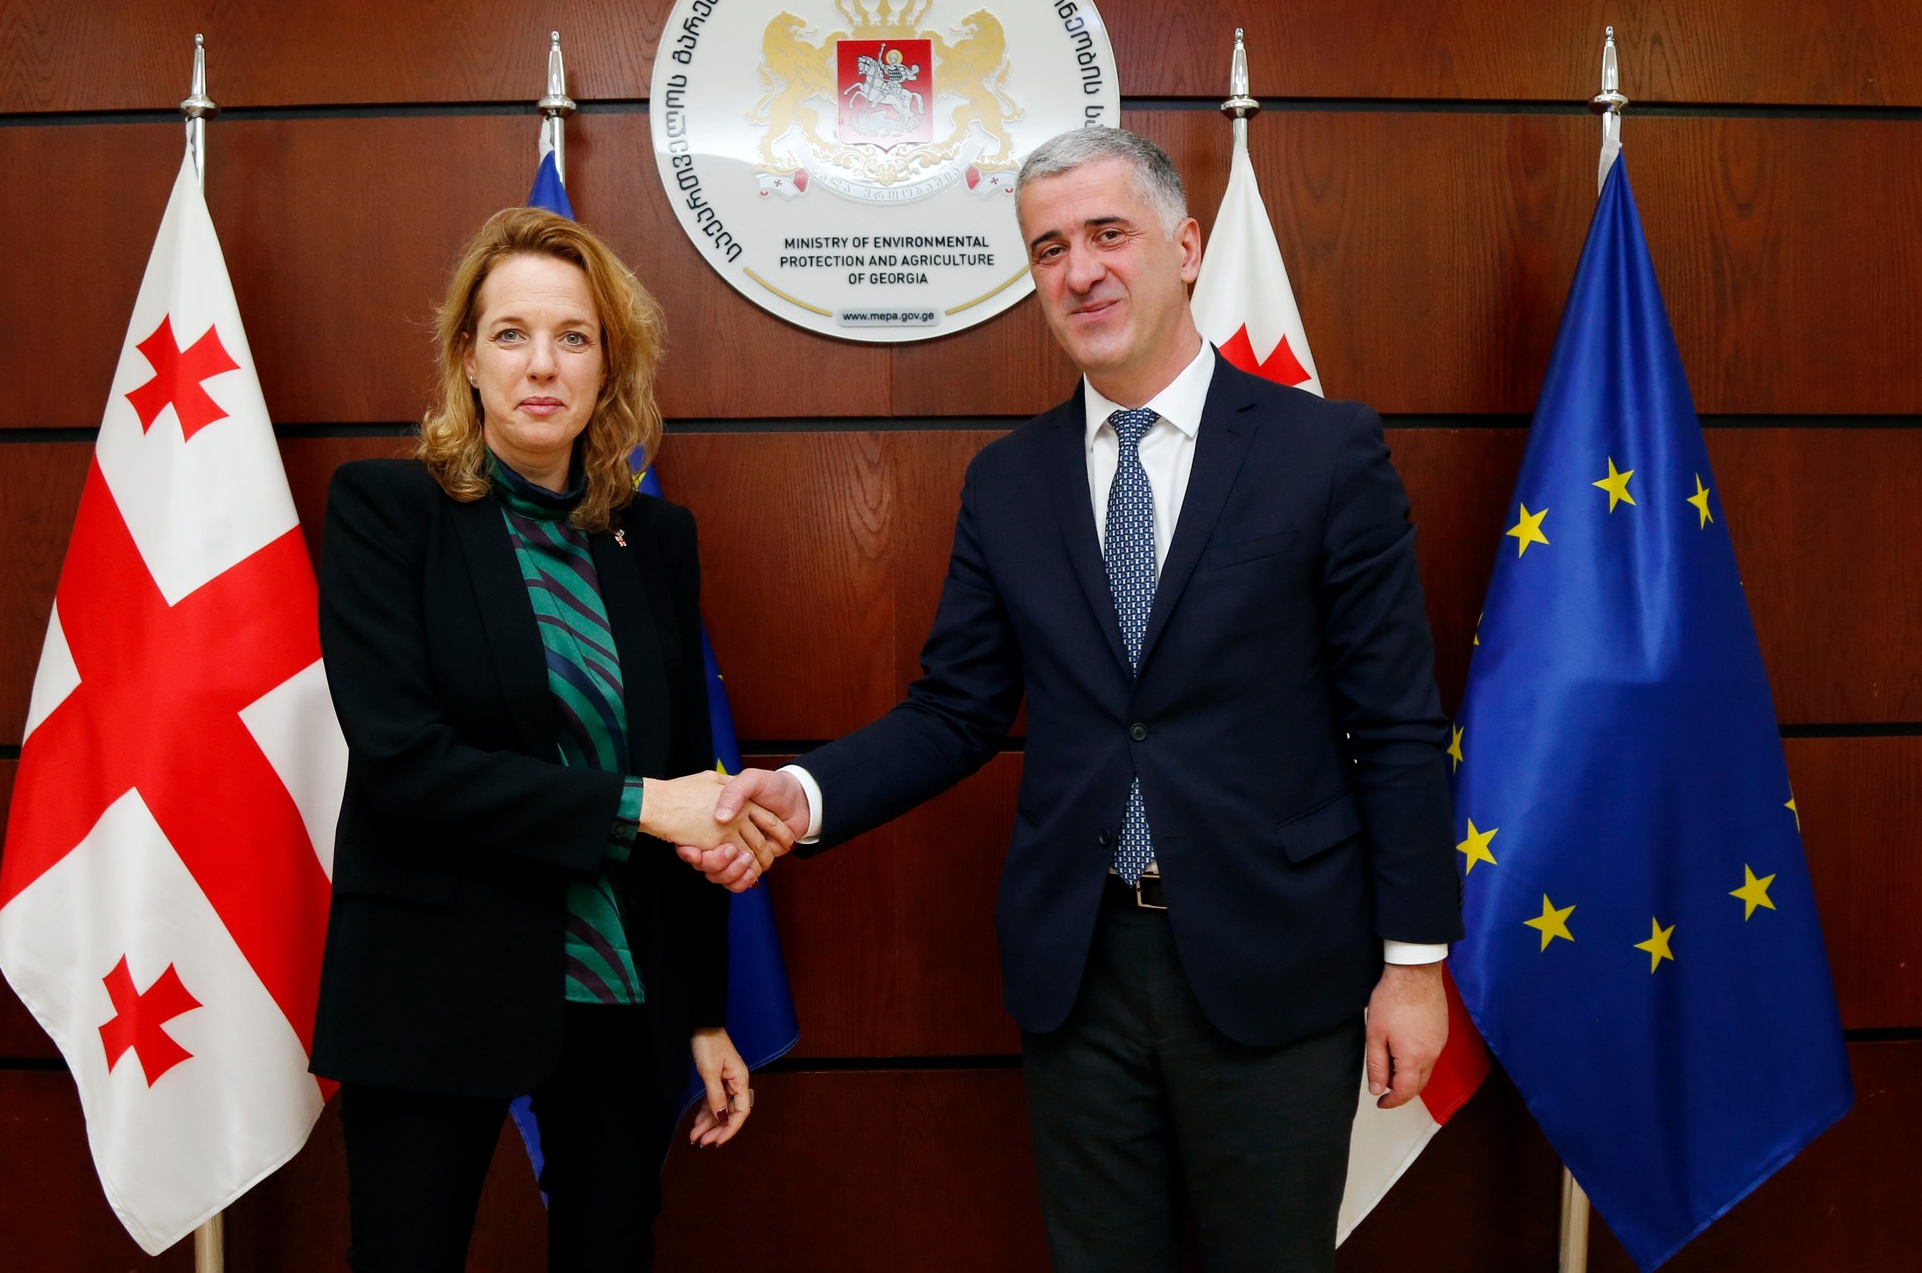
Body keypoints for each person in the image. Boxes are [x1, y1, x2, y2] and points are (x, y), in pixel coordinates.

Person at [693, 127, 1461, 1271]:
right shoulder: (1008, 481)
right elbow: (954, 709)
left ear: (1184, 247)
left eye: (1108, 234)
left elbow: (1393, 724)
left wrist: (1413, 964)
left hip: (1275, 956)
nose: (1079, 271)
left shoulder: (1321, 451)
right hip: (1080, 967)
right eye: (1048, 248)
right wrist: (804, 793)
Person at [312, 207, 791, 1273]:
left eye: (574, 337)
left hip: (619, 988)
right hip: (433, 981)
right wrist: (640, 805)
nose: (542, 364)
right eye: (511, 334)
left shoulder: (655, 539)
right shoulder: (386, 511)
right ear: (466, 358)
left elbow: (684, 775)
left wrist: (699, 1010)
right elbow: (405, 765)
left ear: (608, 365)